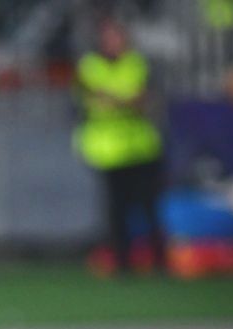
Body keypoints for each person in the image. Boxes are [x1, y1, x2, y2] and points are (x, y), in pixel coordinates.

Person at [75, 17, 166, 276]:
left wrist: (114, 99)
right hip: (108, 151)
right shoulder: (89, 66)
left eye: (118, 36)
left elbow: (145, 99)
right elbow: (89, 98)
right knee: (115, 210)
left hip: (141, 147)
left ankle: (159, 261)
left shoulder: (138, 63)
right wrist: (125, 99)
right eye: (109, 37)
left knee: (149, 206)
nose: (114, 42)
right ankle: (121, 261)